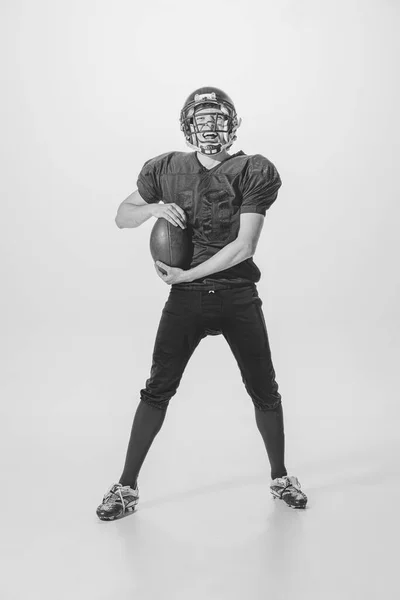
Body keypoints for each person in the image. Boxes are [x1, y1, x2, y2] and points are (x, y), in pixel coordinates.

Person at [96, 86, 308, 521]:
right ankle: (125, 487)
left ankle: (281, 476)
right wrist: (154, 207)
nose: (211, 126)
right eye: (202, 118)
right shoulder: (165, 168)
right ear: (187, 125)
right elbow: (122, 215)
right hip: (185, 302)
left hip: (235, 294)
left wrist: (188, 274)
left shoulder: (253, 168)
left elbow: (245, 246)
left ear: (233, 123)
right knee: (157, 389)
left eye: (218, 117)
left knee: (264, 389)